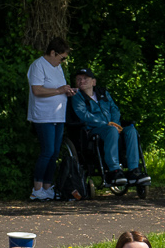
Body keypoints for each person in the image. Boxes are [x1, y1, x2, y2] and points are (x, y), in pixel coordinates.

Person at [69, 67, 140, 187]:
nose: (81, 81)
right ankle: (115, 170)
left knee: (131, 130)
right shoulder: (77, 96)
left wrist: (115, 123)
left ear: (93, 82)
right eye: (78, 79)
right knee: (111, 130)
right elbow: (84, 115)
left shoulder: (103, 93)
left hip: (112, 127)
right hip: (93, 129)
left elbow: (115, 109)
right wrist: (105, 124)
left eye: (85, 79)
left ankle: (134, 170)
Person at [26, 37, 76, 202]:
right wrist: (59, 90)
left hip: (58, 115)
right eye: (62, 57)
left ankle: (47, 188)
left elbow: (59, 89)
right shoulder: (38, 66)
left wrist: (66, 91)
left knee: (54, 153)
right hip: (43, 116)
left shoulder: (58, 67)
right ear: (53, 52)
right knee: (47, 151)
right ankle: (37, 188)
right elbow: (37, 90)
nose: (63, 61)